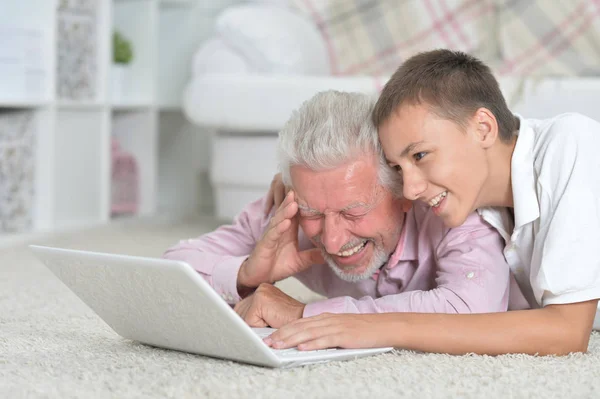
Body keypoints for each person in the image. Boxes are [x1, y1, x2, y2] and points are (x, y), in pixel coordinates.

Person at [264, 49, 600, 356]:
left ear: (483, 128)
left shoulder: (571, 145)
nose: (409, 189)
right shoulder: (475, 191)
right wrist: (301, 182)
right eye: (398, 167)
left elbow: (567, 332)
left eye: (420, 155)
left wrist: (373, 327)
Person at [162, 91, 519, 330]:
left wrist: (304, 314)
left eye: (353, 212)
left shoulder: (450, 207)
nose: (332, 241)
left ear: (403, 188)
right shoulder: (290, 213)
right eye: (314, 214)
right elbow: (167, 273)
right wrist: (246, 272)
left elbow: (475, 310)